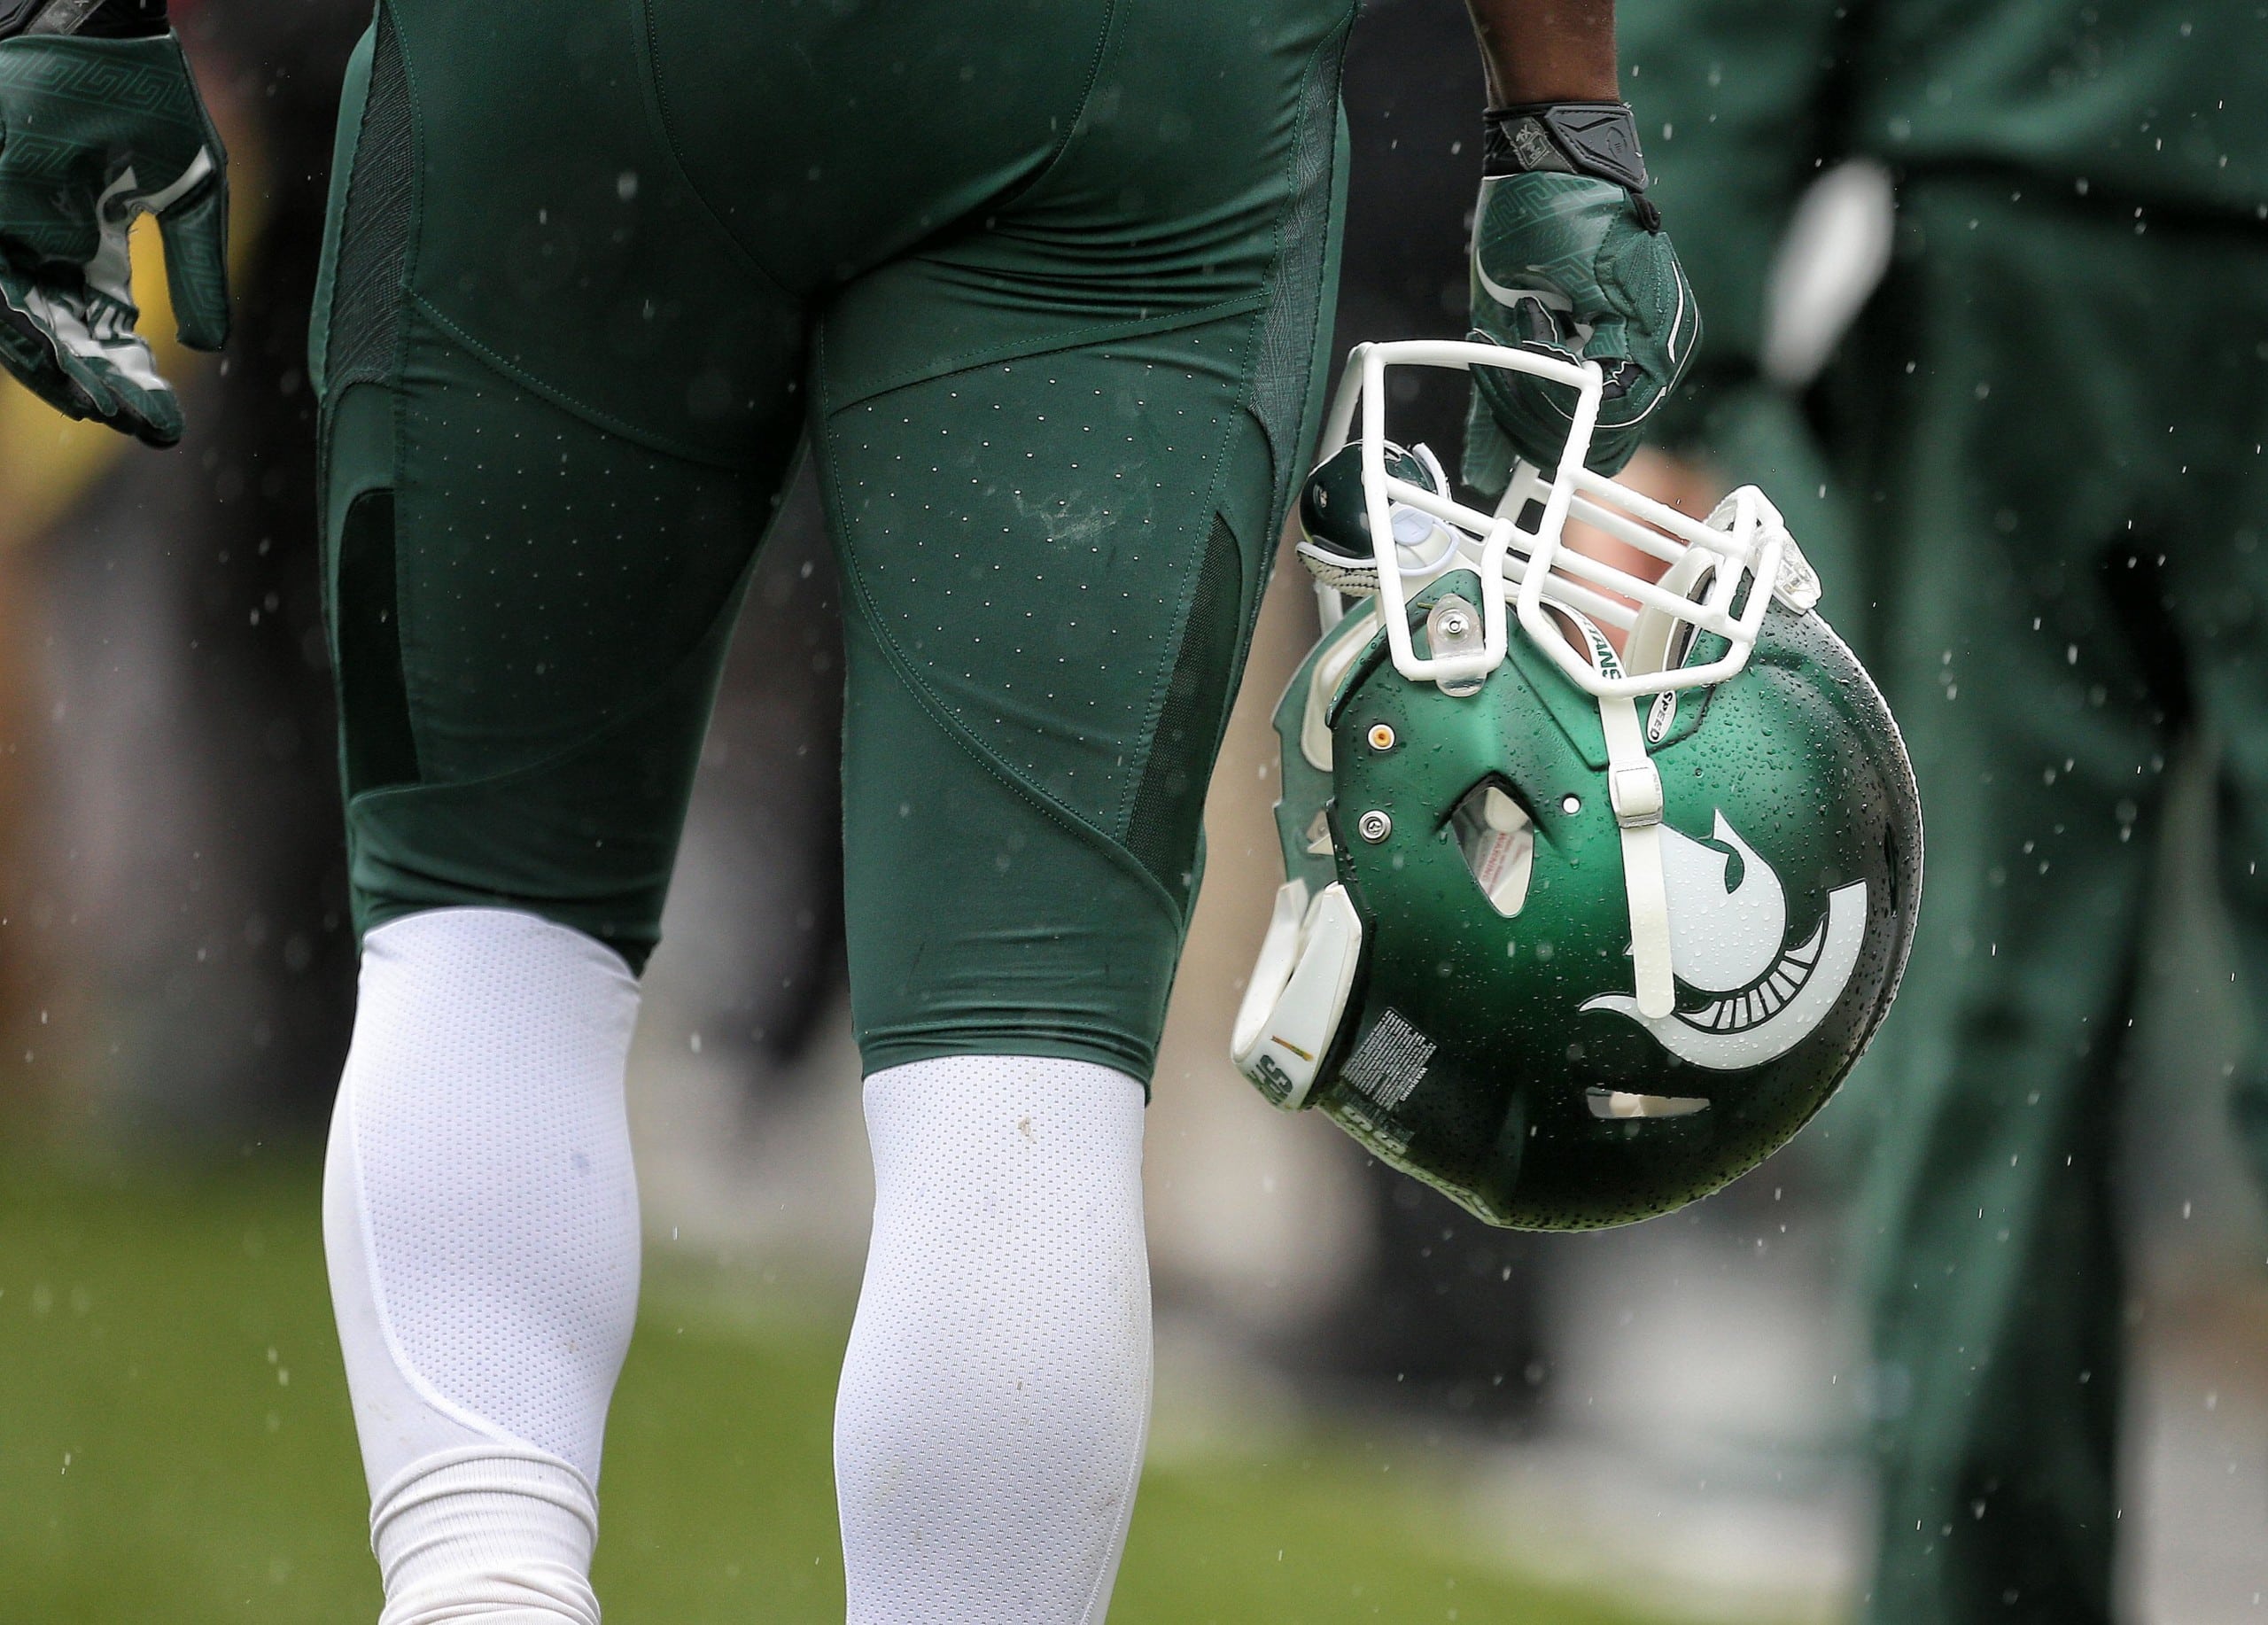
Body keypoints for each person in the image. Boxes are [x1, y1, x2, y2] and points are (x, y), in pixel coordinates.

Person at [0, 0, 1698, 1618]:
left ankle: (483, 1593)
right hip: (1117, 80)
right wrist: (1560, 112)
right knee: (1022, 1039)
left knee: (485, 911)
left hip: (576, 57)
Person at [1605, 1, 2268, 1619]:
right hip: (2046, 190)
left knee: (1987, 1022)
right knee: (1983, 1017)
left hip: (2018, 201)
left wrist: (1676, 365)